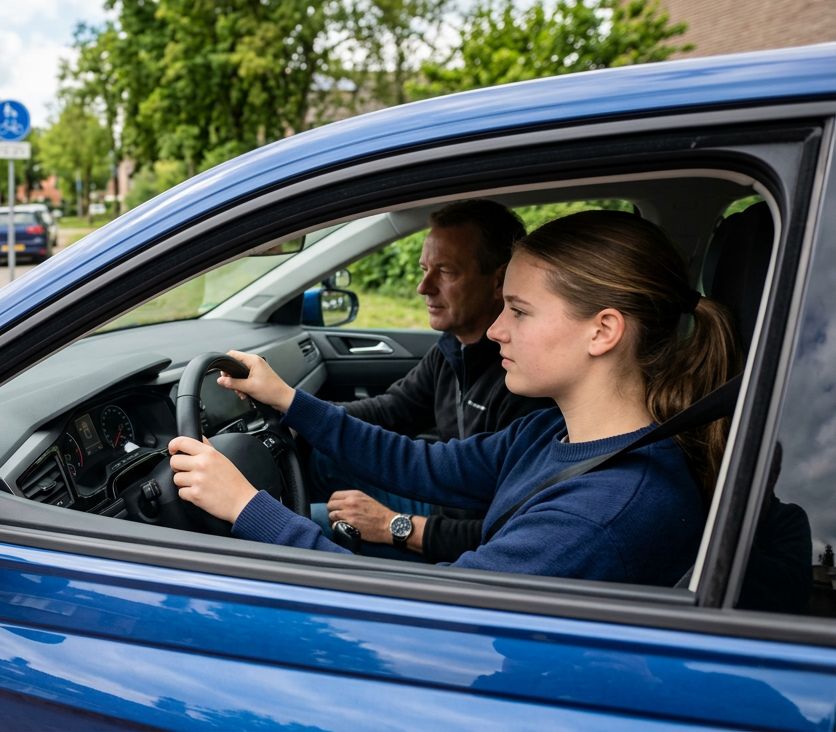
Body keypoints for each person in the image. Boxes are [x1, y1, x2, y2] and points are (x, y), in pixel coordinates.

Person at [170, 211, 733, 585]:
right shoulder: (551, 432)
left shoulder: (598, 516)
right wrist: (289, 400)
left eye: (519, 311)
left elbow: (423, 619)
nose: (497, 330)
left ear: (603, 331)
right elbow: (416, 463)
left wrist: (247, 508)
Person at [312, 199, 552, 562]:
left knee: (312, 522)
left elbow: (507, 533)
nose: (423, 287)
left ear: (498, 281)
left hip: (455, 542)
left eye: (446, 272)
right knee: (322, 457)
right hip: (442, 503)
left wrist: (393, 524)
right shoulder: (453, 347)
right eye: (425, 269)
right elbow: (396, 410)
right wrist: (299, 413)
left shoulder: (524, 382)